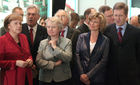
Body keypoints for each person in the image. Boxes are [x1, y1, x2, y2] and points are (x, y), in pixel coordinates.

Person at [104, 2, 140, 85]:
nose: (117, 18)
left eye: (120, 15)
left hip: (131, 77)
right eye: (115, 15)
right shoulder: (107, 30)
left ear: (126, 16)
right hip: (112, 77)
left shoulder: (136, 32)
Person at [36, 16, 72, 85]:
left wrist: (55, 47)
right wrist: (54, 64)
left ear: (60, 28)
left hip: (62, 78)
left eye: (53, 27)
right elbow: (38, 61)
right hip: (45, 79)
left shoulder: (67, 42)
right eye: (48, 27)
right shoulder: (43, 43)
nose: (50, 29)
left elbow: (68, 58)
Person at [76, 12, 109, 85]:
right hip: (81, 76)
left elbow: (103, 60)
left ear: (100, 24)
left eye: (95, 22)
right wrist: (82, 74)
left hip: (97, 77)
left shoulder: (105, 40)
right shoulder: (82, 37)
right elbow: (77, 55)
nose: (92, 24)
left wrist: (88, 75)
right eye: (91, 21)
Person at [0, 14, 33, 85]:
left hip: (27, 76)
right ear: (8, 26)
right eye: (16, 23)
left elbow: (28, 54)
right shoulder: (2, 40)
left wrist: (30, 60)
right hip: (11, 78)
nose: (19, 25)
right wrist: (15, 63)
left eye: (20, 23)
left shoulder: (23, 37)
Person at [22, 5, 48, 85]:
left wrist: (36, 65)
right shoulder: (19, 29)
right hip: (23, 68)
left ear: (38, 16)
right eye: (28, 14)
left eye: (33, 14)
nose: (30, 17)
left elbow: (46, 50)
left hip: (40, 70)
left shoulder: (44, 30)